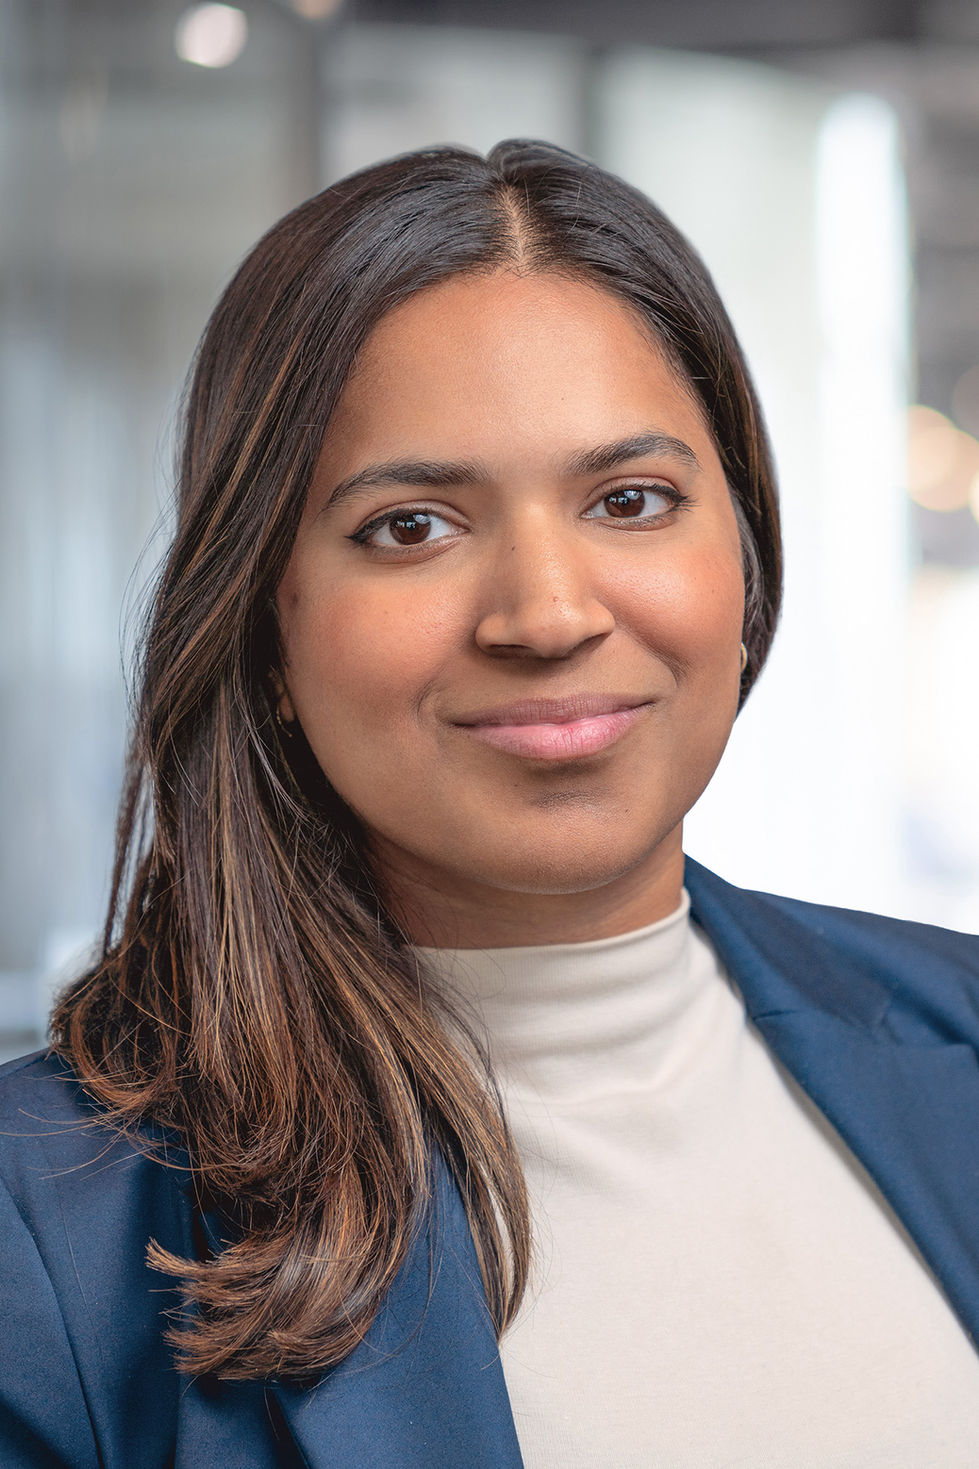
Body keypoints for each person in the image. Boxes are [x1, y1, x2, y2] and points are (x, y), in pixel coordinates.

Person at [1, 137, 978, 1469]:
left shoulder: (959, 1036)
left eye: (630, 500)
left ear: (741, 562)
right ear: (265, 625)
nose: (551, 612)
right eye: (412, 526)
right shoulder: (49, 1225)